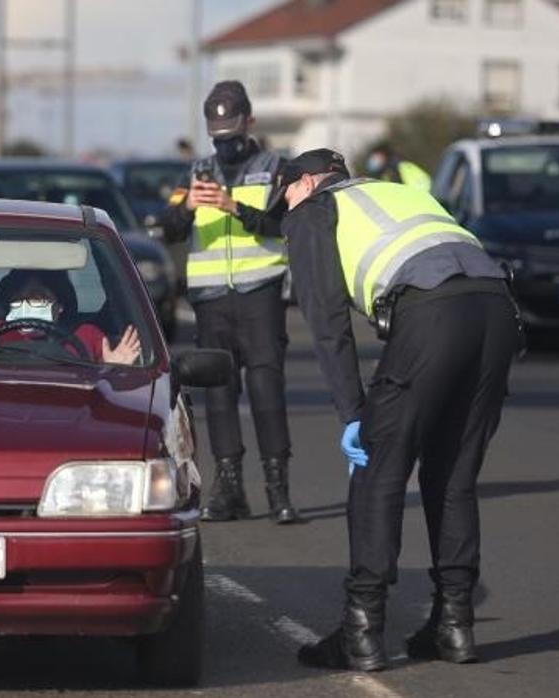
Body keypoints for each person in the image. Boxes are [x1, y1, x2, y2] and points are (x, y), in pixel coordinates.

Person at [266, 149, 521, 672]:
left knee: (378, 467)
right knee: (452, 474)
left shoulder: (313, 211)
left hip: (432, 311)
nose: (282, 213)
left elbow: (327, 323)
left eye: (284, 197)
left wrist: (353, 413)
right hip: (498, 309)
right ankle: (455, 624)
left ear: (308, 181)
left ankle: (361, 630)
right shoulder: (399, 192)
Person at [160, 81, 299, 524]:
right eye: (218, 139)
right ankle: (230, 490)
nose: (225, 147)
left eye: (233, 137)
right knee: (219, 394)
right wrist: (186, 209)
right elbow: (169, 229)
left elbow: (282, 225)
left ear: (250, 123)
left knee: (265, 389)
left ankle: (279, 491)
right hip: (210, 299)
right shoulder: (196, 171)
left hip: (260, 294)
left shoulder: (276, 167)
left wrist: (232, 205)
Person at [0, 269, 142, 365]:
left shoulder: (86, 335)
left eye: (38, 298)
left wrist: (116, 369)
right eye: (20, 299)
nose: (27, 304)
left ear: (59, 306)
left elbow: (104, 386)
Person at [364, 142, 431, 191]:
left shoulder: (396, 167)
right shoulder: (385, 173)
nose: (375, 160)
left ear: (384, 155)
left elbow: (420, 185)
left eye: (377, 157)